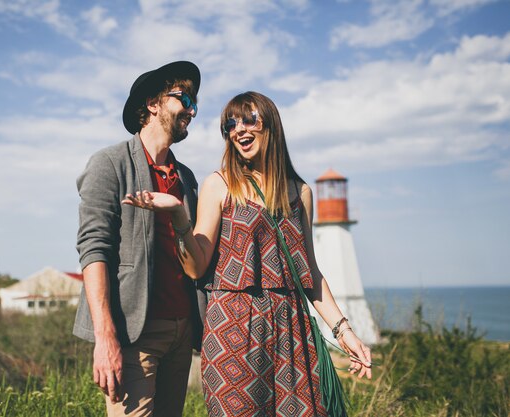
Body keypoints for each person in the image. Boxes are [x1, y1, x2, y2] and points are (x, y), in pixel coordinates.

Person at [123, 91, 372, 416]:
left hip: (292, 330)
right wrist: (178, 215)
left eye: (248, 120)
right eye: (231, 124)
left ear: (270, 126)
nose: (239, 129)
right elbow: (196, 267)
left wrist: (345, 331)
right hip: (233, 329)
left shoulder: (301, 192)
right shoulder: (220, 185)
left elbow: (309, 271)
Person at [72, 60, 208, 417]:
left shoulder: (187, 178)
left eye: (195, 103)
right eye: (184, 99)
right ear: (153, 103)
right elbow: (93, 249)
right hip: (133, 333)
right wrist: (105, 338)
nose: (192, 111)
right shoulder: (109, 163)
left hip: (182, 332)